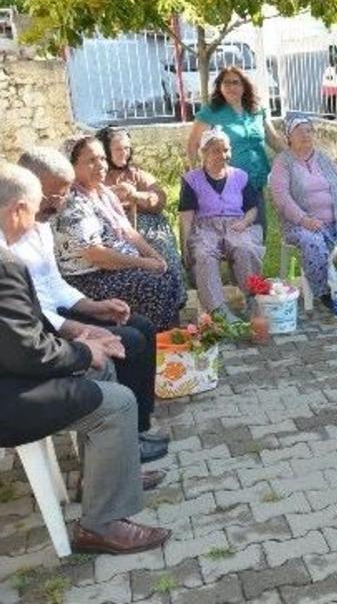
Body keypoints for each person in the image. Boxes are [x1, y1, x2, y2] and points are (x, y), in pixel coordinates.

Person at [0, 162, 171, 554]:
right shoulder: (5, 265)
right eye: (40, 205)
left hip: (12, 373)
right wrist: (82, 350)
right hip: (9, 393)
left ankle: (102, 478)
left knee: (105, 364)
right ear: (18, 210)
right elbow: (27, 351)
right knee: (117, 401)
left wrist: (83, 332)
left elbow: (28, 324)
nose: (44, 214)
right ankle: (101, 523)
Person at [16, 147, 168, 463]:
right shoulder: (8, 240)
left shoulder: (41, 224)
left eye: (63, 194)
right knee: (128, 342)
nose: (59, 204)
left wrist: (95, 307)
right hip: (38, 333)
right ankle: (122, 444)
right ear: (29, 189)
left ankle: (137, 428)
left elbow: (53, 284)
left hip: (56, 315)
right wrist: (82, 329)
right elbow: (28, 312)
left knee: (140, 326)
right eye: (53, 196)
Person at [52, 137, 186, 333]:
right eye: (91, 161)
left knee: (168, 271)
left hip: (117, 266)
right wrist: (143, 263)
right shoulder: (72, 204)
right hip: (90, 277)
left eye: (103, 159)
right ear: (72, 166)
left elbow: (128, 231)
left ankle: (169, 339)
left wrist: (154, 256)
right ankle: (155, 345)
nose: (101, 166)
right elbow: (96, 255)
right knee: (154, 284)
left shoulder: (103, 193)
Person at [269, 115, 337, 306]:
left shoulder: (324, 159)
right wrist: (304, 220)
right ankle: (324, 292)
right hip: (300, 224)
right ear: (288, 136)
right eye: (299, 131)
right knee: (313, 242)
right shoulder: (282, 162)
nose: (305, 135)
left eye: (309, 130)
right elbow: (282, 199)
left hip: (336, 220)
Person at [179, 129, 265, 320]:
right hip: (205, 227)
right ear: (204, 153)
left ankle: (252, 299)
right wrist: (185, 244)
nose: (222, 155)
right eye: (216, 151)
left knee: (245, 249)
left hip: (237, 224)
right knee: (204, 254)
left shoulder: (240, 176)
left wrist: (245, 222)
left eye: (225, 150)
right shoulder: (192, 180)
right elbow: (186, 217)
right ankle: (218, 310)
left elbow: (252, 208)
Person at [186, 67, 284, 232]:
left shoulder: (256, 111)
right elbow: (193, 144)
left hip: (255, 181)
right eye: (226, 83)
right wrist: (196, 173)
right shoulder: (211, 112)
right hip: (225, 182)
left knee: (259, 231)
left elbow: (273, 140)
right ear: (219, 87)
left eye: (235, 82)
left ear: (244, 86)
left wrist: (295, 158)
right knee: (230, 234)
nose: (231, 87)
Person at [97, 127, 184, 280]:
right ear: (105, 151)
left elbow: (159, 198)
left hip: (148, 228)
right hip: (114, 230)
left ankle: (173, 299)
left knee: (164, 253)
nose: (124, 153)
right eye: (118, 149)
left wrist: (135, 195)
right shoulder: (98, 176)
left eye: (126, 148)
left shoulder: (136, 174)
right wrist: (113, 194)